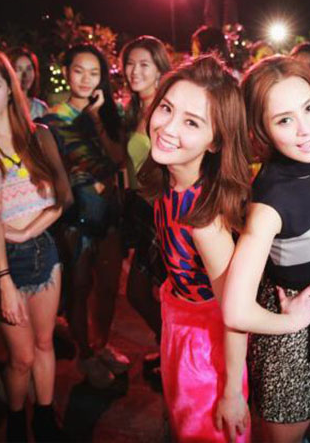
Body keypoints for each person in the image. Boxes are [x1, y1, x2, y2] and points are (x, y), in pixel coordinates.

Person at [223, 56, 310, 443]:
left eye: (309, 108)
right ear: (261, 130)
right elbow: (235, 310)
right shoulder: (268, 204)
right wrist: (291, 323)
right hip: (288, 329)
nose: (305, 129)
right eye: (284, 120)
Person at [0, 48, 72, 441]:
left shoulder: (39, 135)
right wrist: (4, 279)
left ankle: (45, 417)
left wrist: (27, 231)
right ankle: (17, 419)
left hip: (43, 250)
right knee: (20, 357)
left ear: (10, 87)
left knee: (44, 343)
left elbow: (63, 198)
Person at [138, 55, 252, 442]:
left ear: (216, 140)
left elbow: (235, 314)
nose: (167, 128)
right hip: (178, 330)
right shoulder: (170, 181)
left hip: (206, 353)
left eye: (191, 122)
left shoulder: (205, 220)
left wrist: (232, 393)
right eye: (166, 109)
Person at [40, 44, 127, 389]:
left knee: (108, 286)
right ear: (66, 72)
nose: (86, 79)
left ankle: (101, 344)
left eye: (94, 73)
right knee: (79, 286)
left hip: (110, 212)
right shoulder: (50, 120)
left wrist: (96, 119)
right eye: (79, 70)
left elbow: (118, 158)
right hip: (75, 213)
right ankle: (85, 354)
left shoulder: (108, 113)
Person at [120, 35, 171, 380]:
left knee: (156, 292)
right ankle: (169, 347)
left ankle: (175, 355)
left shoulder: (165, 109)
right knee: (140, 293)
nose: (135, 71)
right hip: (141, 211)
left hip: (165, 214)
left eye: (144, 64)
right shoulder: (134, 109)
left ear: (159, 69)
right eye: (129, 64)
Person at [7, 46, 49, 121]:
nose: (25, 75)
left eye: (29, 69)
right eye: (19, 69)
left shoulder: (40, 108)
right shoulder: (2, 108)